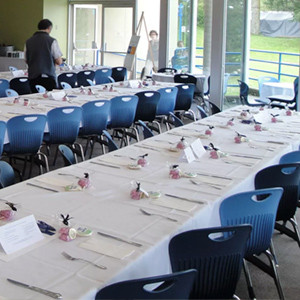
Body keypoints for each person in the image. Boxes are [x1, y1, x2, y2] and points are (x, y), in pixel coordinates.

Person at [25, 19, 63, 93]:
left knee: (35, 98)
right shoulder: (52, 41)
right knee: (50, 99)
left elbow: (26, 60)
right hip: (48, 75)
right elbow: (58, 61)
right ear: (49, 28)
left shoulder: (28, 41)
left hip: (33, 76)